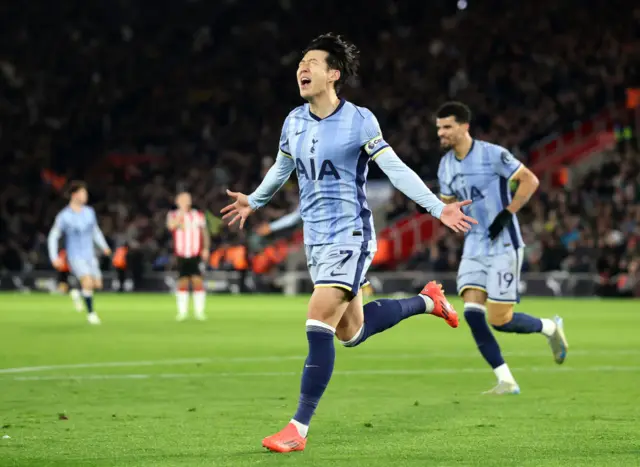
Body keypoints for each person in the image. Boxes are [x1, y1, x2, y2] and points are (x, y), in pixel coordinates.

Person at [221, 33, 476, 453]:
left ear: (333, 74)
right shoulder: (294, 121)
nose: (301, 68)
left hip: (350, 235)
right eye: (300, 62)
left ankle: (297, 428)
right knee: (350, 333)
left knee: (317, 319)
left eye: (311, 62)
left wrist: (436, 208)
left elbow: (394, 168)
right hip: (315, 240)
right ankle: (428, 302)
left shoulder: (360, 120)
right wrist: (255, 199)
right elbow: (282, 168)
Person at [435, 101, 569, 395]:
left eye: (446, 127)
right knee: (471, 312)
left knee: (500, 320)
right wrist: (448, 213)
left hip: (504, 243)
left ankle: (549, 327)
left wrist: (508, 212)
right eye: (439, 128)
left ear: (464, 127)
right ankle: (506, 380)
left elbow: (529, 180)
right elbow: (447, 205)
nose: (441, 133)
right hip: (474, 244)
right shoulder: (445, 165)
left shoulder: (492, 154)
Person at [47, 181, 111, 324]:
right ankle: (91, 314)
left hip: (90, 254)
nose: (86, 195)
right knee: (87, 282)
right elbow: (53, 236)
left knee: (97, 284)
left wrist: (104, 246)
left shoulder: (89, 212)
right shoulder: (64, 216)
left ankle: (75, 291)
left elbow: (95, 232)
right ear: (74, 195)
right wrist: (54, 256)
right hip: (75, 255)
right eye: (83, 193)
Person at [166, 191, 210, 321]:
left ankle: (199, 312)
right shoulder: (173, 214)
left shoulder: (198, 215)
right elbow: (171, 226)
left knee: (197, 280)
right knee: (182, 281)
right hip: (181, 253)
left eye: (188, 199)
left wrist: (206, 248)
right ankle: (182, 312)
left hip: (195, 252)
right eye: (183, 200)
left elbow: (204, 233)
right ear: (177, 202)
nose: (186, 202)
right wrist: (181, 212)